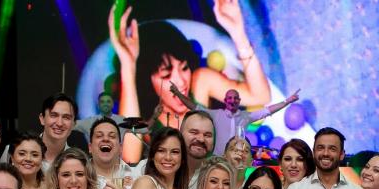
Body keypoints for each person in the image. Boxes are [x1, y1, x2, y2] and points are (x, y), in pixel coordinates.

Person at [109, 1, 272, 161]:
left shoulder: (200, 83)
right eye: (166, 75)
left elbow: (260, 96)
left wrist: (238, 34)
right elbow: (129, 159)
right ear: (147, 81)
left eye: (184, 67)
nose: (181, 82)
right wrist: (128, 67)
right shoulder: (147, 123)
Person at [172, 85, 300, 155]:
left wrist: (287, 101)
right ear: (225, 101)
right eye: (229, 98)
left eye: (235, 98)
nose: (232, 100)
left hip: (236, 162)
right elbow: (194, 107)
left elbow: (268, 110)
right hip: (217, 161)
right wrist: (177, 93)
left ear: (239, 101)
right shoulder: (216, 115)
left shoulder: (246, 116)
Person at [0, 93, 87, 169]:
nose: (59, 123)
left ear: (74, 124)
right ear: (42, 119)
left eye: (66, 117)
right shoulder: (14, 151)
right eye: (54, 115)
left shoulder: (78, 161)